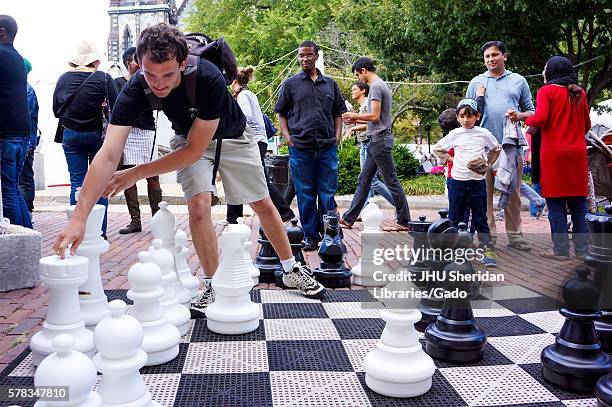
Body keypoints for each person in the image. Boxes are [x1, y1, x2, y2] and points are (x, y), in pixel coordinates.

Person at [52, 24, 325, 312]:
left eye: (168, 74)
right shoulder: (136, 88)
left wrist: (134, 172)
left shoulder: (206, 76)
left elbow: (195, 150)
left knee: (262, 203)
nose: (158, 84)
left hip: (232, 137)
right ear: (139, 64)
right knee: (197, 207)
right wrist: (79, 218)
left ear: (183, 64)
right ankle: (214, 283)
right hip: (187, 137)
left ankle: (291, 268)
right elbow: (108, 153)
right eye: (149, 74)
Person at [509, 56, 591, 260]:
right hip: (578, 155)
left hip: (554, 156)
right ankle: (583, 251)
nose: (543, 71)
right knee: (579, 205)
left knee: (555, 204)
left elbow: (541, 118)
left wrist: (522, 117)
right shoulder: (579, 92)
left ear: (552, 71)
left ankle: (561, 251)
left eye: (545, 68)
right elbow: (587, 125)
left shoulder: (546, 91)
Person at [275, 40, 347, 251]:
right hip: (300, 147)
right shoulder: (290, 84)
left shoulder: (330, 84)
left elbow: (338, 113)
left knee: (327, 192)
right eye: (301, 55)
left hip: (327, 147)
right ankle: (310, 236)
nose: (304, 59)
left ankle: (331, 234)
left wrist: (337, 135)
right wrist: (287, 137)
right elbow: (281, 113)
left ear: (316, 56)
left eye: (308, 55)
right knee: (305, 193)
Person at [466, 40, 534, 251]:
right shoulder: (476, 82)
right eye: (487, 56)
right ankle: (488, 238)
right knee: (482, 194)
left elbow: (531, 112)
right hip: (483, 147)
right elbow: (467, 115)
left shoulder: (518, 80)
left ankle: (515, 237)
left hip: (510, 146)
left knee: (512, 191)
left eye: (495, 55)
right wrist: (479, 97)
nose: (491, 59)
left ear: (504, 56)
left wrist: (519, 115)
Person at [53, 40, 118, 238]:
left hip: (70, 135)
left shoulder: (63, 79)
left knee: (77, 183)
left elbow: (56, 110)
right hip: (97, 137)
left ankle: (78, 230)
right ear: (95, 61)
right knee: (100, 182)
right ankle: (99, 232)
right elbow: (117, 110)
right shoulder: (104, 79)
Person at [340, 57, 411, 231]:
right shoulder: (379, 85)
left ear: (364, 70)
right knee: (364, 180)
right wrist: (355, 122)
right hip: (376, 139)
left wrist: (353, 115)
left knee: (391, 181)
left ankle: (404, 220)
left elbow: (374, 116)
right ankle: (349, 218)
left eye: (358, 75)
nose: (359, 79)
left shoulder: (376, 87)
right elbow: (374, 119)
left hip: (379, 140)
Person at [433, 99, 500, 267]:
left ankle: (487, 250)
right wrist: (451, 159)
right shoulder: (455, 134)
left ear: (477, 116)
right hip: (457, 181)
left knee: (480, 218)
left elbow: (496, 148)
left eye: (469, 116)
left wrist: (487, 163)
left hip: (477, 182)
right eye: (462, 116)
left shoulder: (483, 133)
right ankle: (455, 251)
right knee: (455, 217)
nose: (465, 120)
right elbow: (438, 149)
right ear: (457, 117)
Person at [226, 66, 294, 224]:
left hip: (252, 142)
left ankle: (285, 213)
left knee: (260, 179)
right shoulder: (248, 94)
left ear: (234, 81)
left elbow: (245, 118)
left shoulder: (243, 95)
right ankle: (233, 218)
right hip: (256, 141)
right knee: (236, 176)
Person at [113, 47, 163, 234]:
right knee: (128, 176)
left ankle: (158, 218)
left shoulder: (148, 80)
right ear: (128, 62)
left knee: (153, 175)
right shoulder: (118, 83)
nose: (140, 63)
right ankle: (135, 221)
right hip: (127, 131)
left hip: (147, 130)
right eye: (136, 60)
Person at [0, 15, 32, 228]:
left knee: (8, 190)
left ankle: (18, 241)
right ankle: (28, 234)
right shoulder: (18, 58)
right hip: (21, 132)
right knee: (14, 187)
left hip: (6, 133)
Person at [344, 81, 393, 208]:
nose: (352, 92)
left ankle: (398, 204)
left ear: (363, 91)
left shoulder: (367, 104)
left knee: (372, 180)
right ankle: (367, 207)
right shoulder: (362, 106)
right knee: (366, 179)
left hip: (370, 143)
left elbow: (370, 123)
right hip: (364, 144)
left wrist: (352, 128)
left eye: (354, 89)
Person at [19, 58, 39, 217]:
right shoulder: (26, 89)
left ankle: (27, 213)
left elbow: (26, 119)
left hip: (25, 140)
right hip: (26, 140)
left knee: (24, 179)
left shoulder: (26, 90)